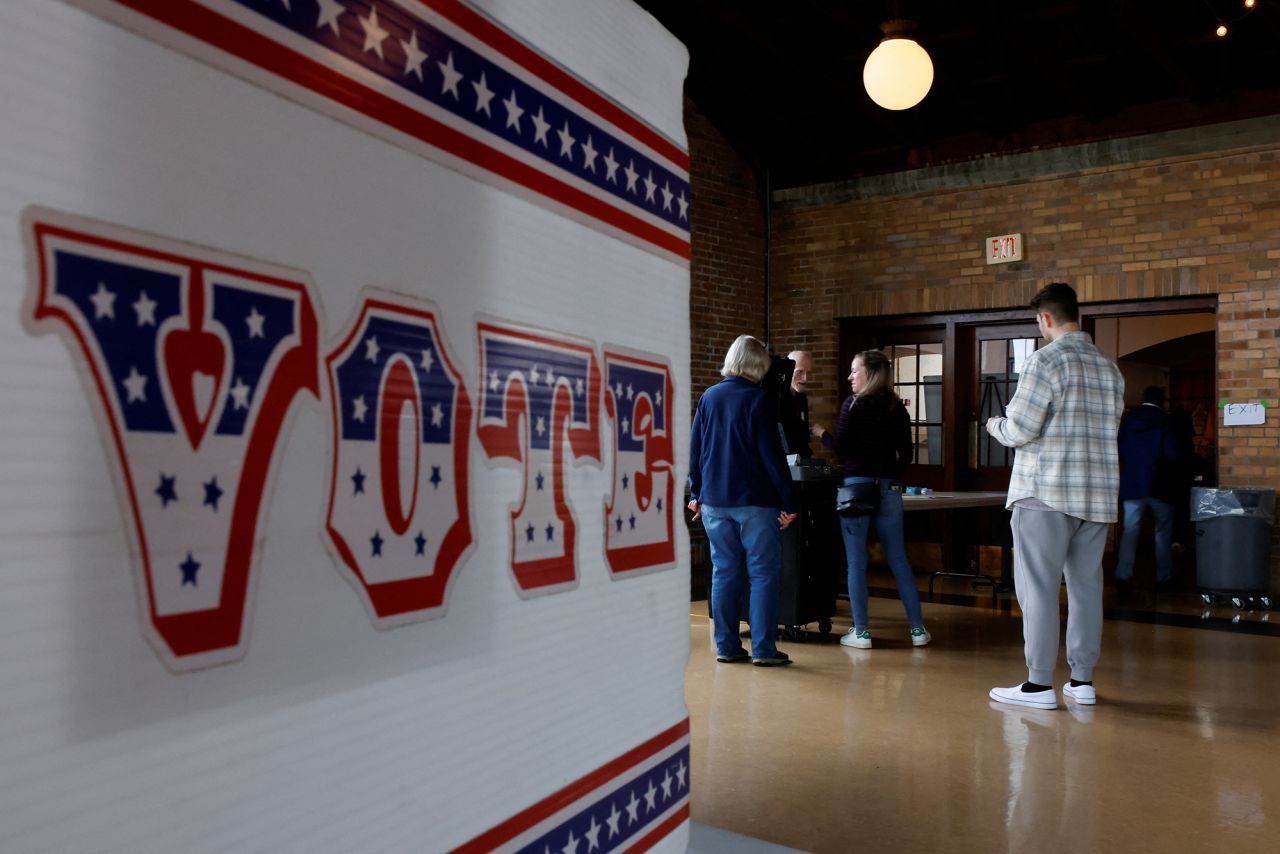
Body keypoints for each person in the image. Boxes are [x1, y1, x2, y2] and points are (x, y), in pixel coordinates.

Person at [986, 283, 1124, 710]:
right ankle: (1082, 681)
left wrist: (994, 424)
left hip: (1044, 491)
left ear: (1045, 318)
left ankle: (1038, 685)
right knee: (1086, 588)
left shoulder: (1044, 361)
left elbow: (1021, 428)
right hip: (1097, 496)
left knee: (1039, 588)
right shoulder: (1109, 366)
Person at [688, 335, 798, 667]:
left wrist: (696, 493)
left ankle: (726, 645)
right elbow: (772, 457)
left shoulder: (709, 398)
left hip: (714, 502)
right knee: (763, 573)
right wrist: (788, 502)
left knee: (724, 571)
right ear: (758, 364)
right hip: (755, 502)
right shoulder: (759, 400)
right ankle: (764, 649)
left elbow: (696, 450)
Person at [811, 349, 931, 650]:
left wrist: (820, 432)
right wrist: (890, 476)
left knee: (856, 562)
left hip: (855, 487)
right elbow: (907, 453)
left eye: (855, 370)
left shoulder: (854, 405)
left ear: (870, 373)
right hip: (888, 487)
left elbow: (840, 447)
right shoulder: (896, 408)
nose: (850, 376)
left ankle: (861, 632)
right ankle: (917, 630)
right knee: (899, 560)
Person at [1115, 386, 1178, 596]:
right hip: (1160, 486)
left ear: (1143, 399)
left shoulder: (1128, 421)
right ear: (1163, 401)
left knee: (1130, 532)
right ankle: (1164, 579)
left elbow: (1121, 450)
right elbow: (1171, 454)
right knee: (1163, 533)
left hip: (1133, 484)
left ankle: (1123, 577)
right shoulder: (1166, 421)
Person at [779, 349, 814, 459]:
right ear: (788, 370)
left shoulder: (801, 397)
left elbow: (803, 434)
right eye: (800, 372)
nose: (805, 379)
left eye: (808, 373)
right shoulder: (777, 397)